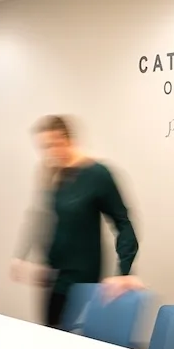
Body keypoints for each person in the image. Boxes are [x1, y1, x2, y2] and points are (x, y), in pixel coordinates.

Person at [16, 115, 141, 328]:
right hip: (53, 277)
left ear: (66, 140)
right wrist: (22, 256)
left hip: (81, 280)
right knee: (49, 334)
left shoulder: (97, 175)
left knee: (64, 338)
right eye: (43, 147)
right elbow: (41, 216)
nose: (48, 153)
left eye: (51, 145)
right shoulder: (53, 172)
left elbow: (124, 225)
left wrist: (123, 272)